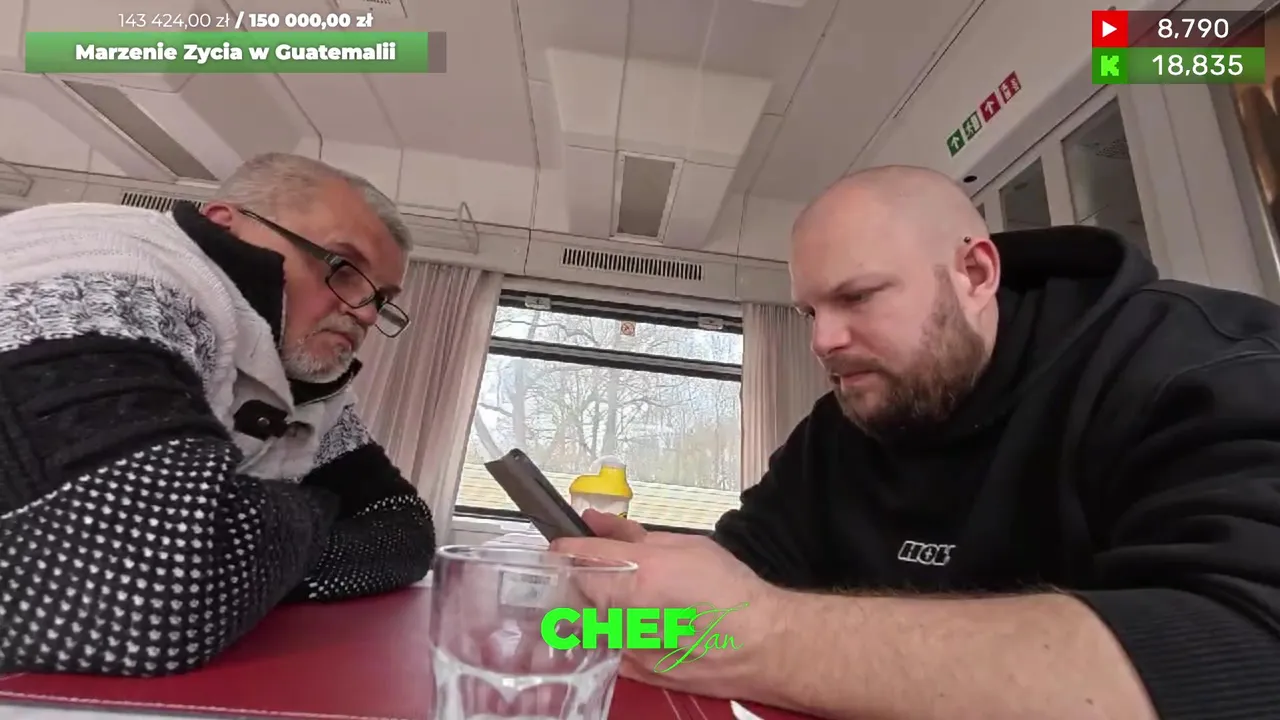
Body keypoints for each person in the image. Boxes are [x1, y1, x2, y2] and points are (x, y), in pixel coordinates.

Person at [554, 164, 1280, 719]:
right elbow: (747, 573)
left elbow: (1248, 656)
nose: (823, 341)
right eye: (809, 311)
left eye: (856, 297)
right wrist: (661, 588)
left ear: (975, 273)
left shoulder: (1196, 368)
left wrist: (764, 634)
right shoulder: (839, 430)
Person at [0, 153, 435, 676]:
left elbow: (407, 531)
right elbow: (145, 603)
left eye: (380, 297)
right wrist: (307, 514)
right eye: (342, 268)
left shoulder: (303, 379)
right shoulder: (101, 274)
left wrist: (238, 534)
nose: (364, 312)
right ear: (224, 225)